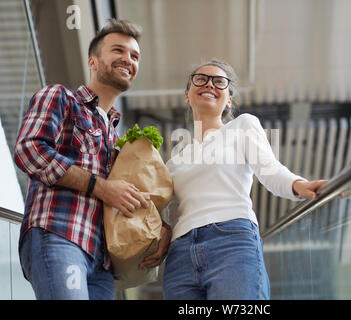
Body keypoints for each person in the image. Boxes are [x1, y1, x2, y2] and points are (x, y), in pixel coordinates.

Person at [138, 59, 327, 299]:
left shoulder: (242, 126)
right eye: (201, 79)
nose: (209, 85)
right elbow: (163, 212)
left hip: (231, 242)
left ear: (228, 99)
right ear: (188, 95)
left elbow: (270, 169)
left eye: (219, 82)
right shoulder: (173, 162)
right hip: (180, 255)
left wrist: (299, 185)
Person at [14, 18, 171, 300]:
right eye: (118, 51)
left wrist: (162, 229)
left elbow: (129, 195)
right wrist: (101, 187)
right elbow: (29, 150)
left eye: (134, 56)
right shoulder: (60, 97)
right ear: (93, 62)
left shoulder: (117, 139)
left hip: (103, 264)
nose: (128, 59)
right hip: (60, 234)